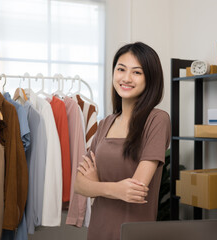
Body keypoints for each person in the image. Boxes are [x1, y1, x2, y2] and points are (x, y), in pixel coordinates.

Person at [74, 42, 171, 240]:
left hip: (133, 233)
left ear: (150, 79)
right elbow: (78, 185)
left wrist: (97, 186)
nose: (126, 78)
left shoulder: (157, 120)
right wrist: (115, 188)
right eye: (121, 69)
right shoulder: (105, 124)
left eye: (137, 72)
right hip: (98, 230)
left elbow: (135, 189)